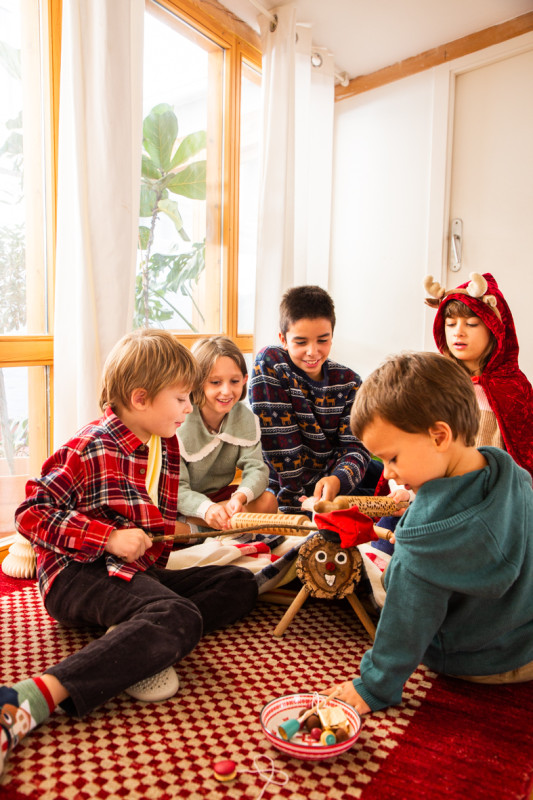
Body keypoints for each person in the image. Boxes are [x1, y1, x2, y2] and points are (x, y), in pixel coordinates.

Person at [1, 329, 258, 777]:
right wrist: (106, 538)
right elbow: (29, 514)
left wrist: (181, 530)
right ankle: (31, 695)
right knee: (179, 617)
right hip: (77, 575)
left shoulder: (166, 443)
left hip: (131, 571)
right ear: (141, 398)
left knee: (237, 584)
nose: (188, 408)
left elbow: (146, 516)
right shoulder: (90, 446)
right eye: (182, 399)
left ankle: (136, 633)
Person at [325, 351, 533, 715]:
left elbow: (406, 621)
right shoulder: (513, 475)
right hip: (525, 645)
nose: (387, 474)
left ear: (439, 436)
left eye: (392, 458)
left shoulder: (426, 534)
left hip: (474, 662)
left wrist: (373, 686)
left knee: (392, 589)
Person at [249, 285, 377, 515]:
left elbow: (355, 446)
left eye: (322, 340)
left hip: (331, 481)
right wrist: (294, 501)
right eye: (301, 342)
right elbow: (278, 444)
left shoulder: (350, 382)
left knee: (390, 485)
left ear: (332, 337)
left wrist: (337, 480)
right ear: (284, 340)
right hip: (284, 485)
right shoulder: (271, 363)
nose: (312, 351)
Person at [426, 270, 533, 478]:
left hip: (494, 495)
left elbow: (524, 460)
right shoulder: (435, 381)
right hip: (440, 489)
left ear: (494, 329)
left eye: (471, 323)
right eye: (450, 324)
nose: (458, 332)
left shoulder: (513, 389)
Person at [177, 335, 276, 530]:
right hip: (186, 502)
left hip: (222, 496)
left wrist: (240, 496)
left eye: (234, 381)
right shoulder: (181, 421)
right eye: (215, 382)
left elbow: (257, 468)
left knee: (269, 501)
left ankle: (208, 527)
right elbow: (177, 488)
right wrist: (206, 509)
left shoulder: (244, 418)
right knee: (164, 528)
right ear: (198, 383)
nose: (226, 391)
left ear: (244, 380)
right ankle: (207, 524)